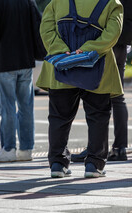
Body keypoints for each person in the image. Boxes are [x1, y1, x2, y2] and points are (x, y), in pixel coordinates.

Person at [36, 0, 123, 178]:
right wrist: (87, 51)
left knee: (59, 117)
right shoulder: (112, 3)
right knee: (98, 115)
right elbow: (113, 34)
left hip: (62, 66)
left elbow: (46, 30)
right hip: (98, 69)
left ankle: (58, 164)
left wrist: (61, 50)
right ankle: (94, 164)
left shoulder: (57, 2)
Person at [71, 0, 132, 162]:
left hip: (105, 37)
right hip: (123, 38)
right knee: (117, 95)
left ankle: (95, 149)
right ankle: (119, 148)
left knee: (94, 93)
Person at [0, 0, 36, 163]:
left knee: (7, 106)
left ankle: (8, 148)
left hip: (5, 60)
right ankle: (26, 149)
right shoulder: (29, 2)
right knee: (26, 106)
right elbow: (37, 25)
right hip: (26, 58)